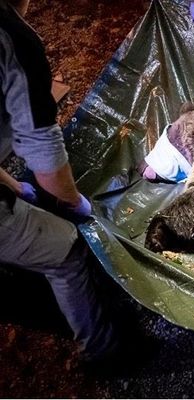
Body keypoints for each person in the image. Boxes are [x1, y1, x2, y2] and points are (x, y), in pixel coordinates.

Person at [0, 0, 118, 363]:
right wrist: (76, 204)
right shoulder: (10, 38)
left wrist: (18, 187)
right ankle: (103, 351)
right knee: (66, 252)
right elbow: (43, 150)